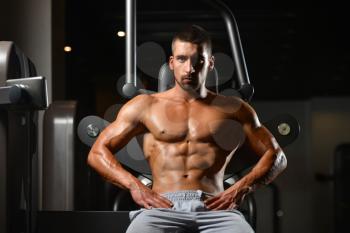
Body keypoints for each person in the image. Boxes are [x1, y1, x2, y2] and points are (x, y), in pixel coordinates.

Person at [87, 25, 287, 233]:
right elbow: (97, 152)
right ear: (172, 63)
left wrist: (241, 187)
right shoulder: (145, 106)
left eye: (198, 60)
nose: (189, 68)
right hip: (162, 207)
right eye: (182, 59)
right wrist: (134, 186)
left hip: (215, 208)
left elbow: (277, 156)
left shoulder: (235, 109)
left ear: (210, 63)